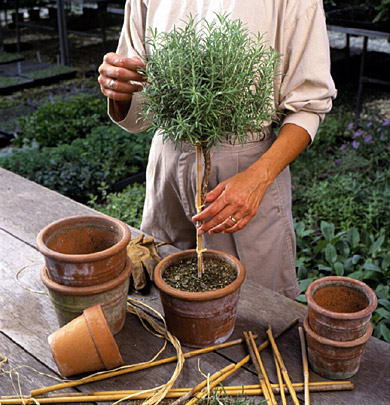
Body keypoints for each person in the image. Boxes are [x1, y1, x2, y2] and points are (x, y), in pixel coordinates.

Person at [98, 0, 337, 299]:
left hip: (244, 169)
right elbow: (137, 99)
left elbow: (309, 104)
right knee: (159, 303)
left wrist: (257, 179)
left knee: (256, 310)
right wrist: (119, 90)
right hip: (166, 164)